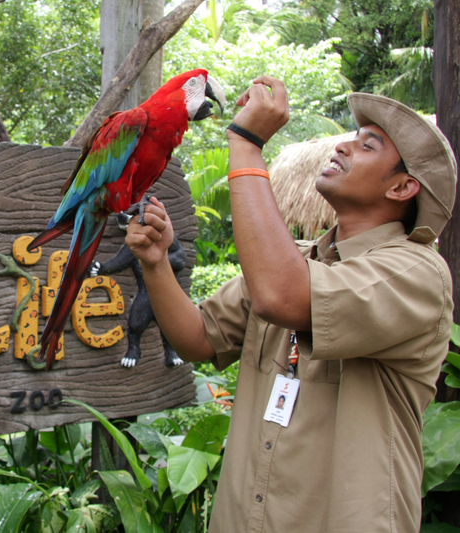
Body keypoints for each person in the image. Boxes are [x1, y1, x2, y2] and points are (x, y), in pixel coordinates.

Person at [126, 76, 457, 532]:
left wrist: (245, 144)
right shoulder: (297, 260)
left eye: (368, 145)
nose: (342, 148)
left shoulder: (417, 274)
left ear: (402, 188)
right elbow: (199, 339)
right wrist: (157, 263)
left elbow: (283, 297)